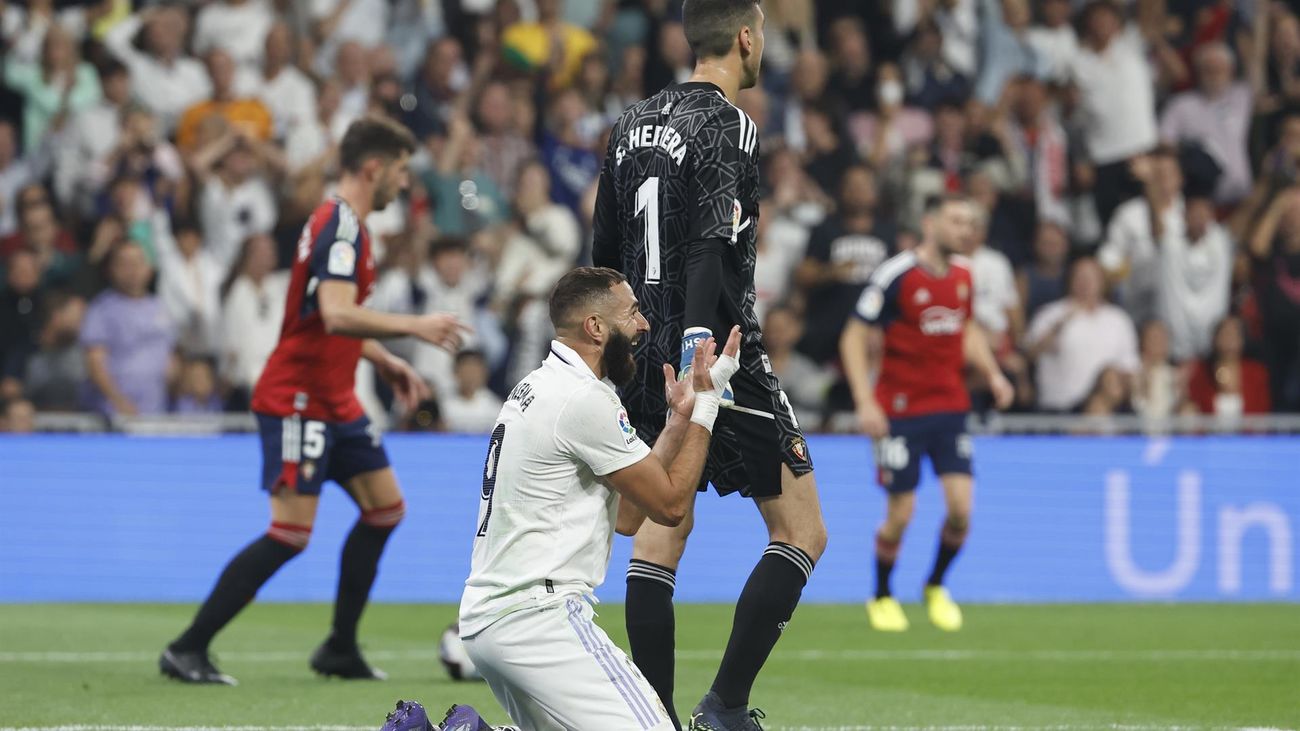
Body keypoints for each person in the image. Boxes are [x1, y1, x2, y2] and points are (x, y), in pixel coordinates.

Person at [159, 116, 469, 686]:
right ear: (373, 168)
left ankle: (339, 647)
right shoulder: (342, 228)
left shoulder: (342, 223)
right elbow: (335, 312)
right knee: (291, 533)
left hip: (335, 398)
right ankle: (187, 647)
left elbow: (325, 317)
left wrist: (382, 359)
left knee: (385, 509)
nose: (404, 184)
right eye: (400, 171)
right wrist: (414, 328)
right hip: (297, 399)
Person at [592, 1, 829, 727]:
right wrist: (700, 339)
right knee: (801, 530)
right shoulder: (730, 123)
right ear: (747, 38)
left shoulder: (629, 124)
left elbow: (604, 252)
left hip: (639, 348)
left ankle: (653, 713)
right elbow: (709, 242)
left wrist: (611, 350)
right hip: (719, 353)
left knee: (665, 522)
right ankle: (724, 704)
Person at [458, 267, 740, 731]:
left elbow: (630, 516)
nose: (644, 324)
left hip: (493, 618)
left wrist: (676, 422)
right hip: (539, 618)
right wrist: (710, 403)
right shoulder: (583, 399)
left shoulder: (538, 387)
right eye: (632, 312)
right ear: (595, 327)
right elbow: (670, 508)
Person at [839, 194, 1013, 633]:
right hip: (899, 412)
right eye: (957, 220)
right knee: (901, 514)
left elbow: (966, 327)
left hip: (950, 405)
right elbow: (853, 337)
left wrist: (993, 374)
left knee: (961, 511)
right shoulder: (897, 275)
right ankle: (881, 595)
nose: (965, 230)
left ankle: (935, 585)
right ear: (929, 222)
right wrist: (865, 400)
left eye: (971, 222)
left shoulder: (964, 277)